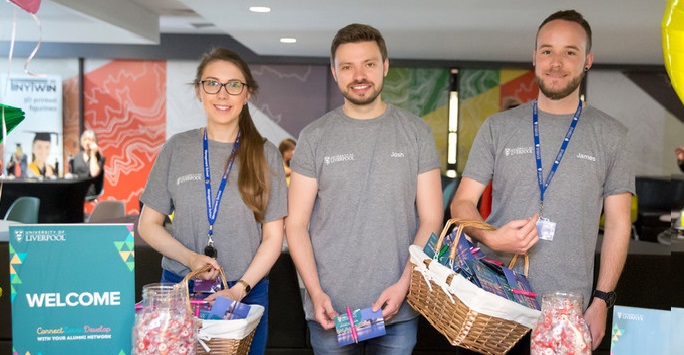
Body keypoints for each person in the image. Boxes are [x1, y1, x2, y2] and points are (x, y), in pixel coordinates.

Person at [450, 10, 634, 352]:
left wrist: (601, 301)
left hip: (565, 314)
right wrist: (495, 237)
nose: (556, 63)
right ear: (535, 57)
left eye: (570, 52)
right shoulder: (498, 127)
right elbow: (461, 203)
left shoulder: (612, 136)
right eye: (547, 51)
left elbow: (620, 224)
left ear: (588, 60)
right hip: (493, 304)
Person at [286, 24, 443, 354]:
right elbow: (296, 224)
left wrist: (405, 286)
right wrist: (315, 292)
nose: (359, 75)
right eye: (347, 66)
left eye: (369, 64)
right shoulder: (313, 137)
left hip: (398, 307)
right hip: (330, 310)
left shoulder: (416, 132)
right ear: (334, 72)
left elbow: (431, 219)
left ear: (385, 66)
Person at [138, 47, 287, 355]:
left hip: (244, 292)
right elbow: (149, 225)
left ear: (246, 94)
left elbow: (273, 238)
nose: (223, 94)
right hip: (180, 290)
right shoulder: (177, 149)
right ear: (199, 91)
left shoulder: (265, 153)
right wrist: (191, 259)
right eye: (212, 83)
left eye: (234, 85)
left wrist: (238, 290)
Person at [69, 130, 106, 197]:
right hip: (77, 191)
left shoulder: (100, 158)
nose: (87, 142)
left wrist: (93, 154)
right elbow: (73, 175)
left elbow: (94, 173)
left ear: (95, 142)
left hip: (91, 192)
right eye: (85, 139)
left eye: (90, 140)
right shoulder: (76, 158)